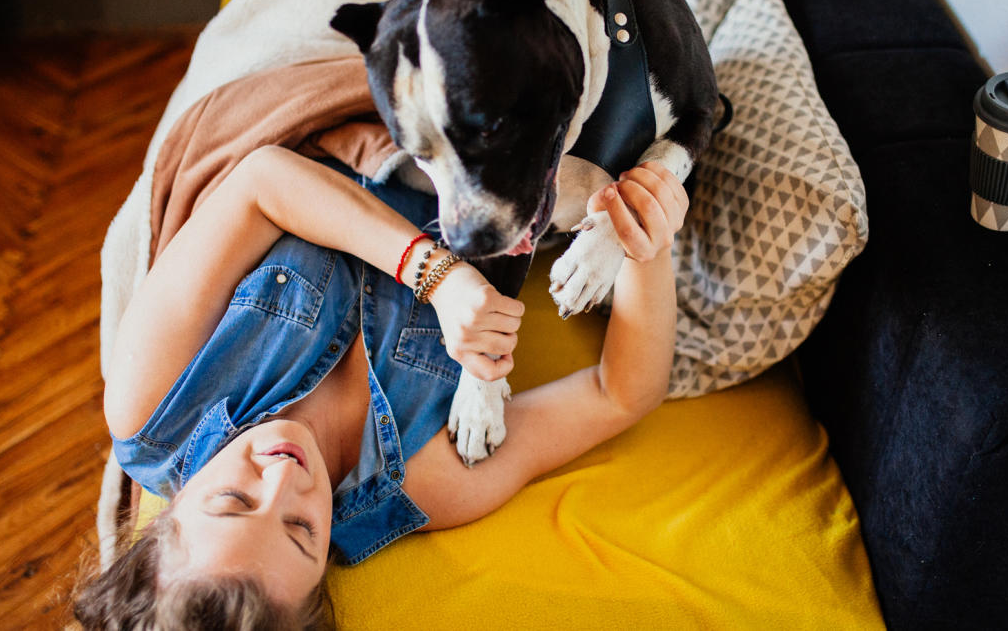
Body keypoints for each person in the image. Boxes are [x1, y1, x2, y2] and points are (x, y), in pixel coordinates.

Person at [74, 145, 687, 629]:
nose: (287, 477)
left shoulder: (155, 404)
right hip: (498, 155)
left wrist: (438, 278)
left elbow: (260, 182)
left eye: (234, 501)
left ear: (160, 521)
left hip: (345, 113)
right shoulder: (428, 482)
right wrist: (646, 238)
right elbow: (620, 393)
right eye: (302, 530)